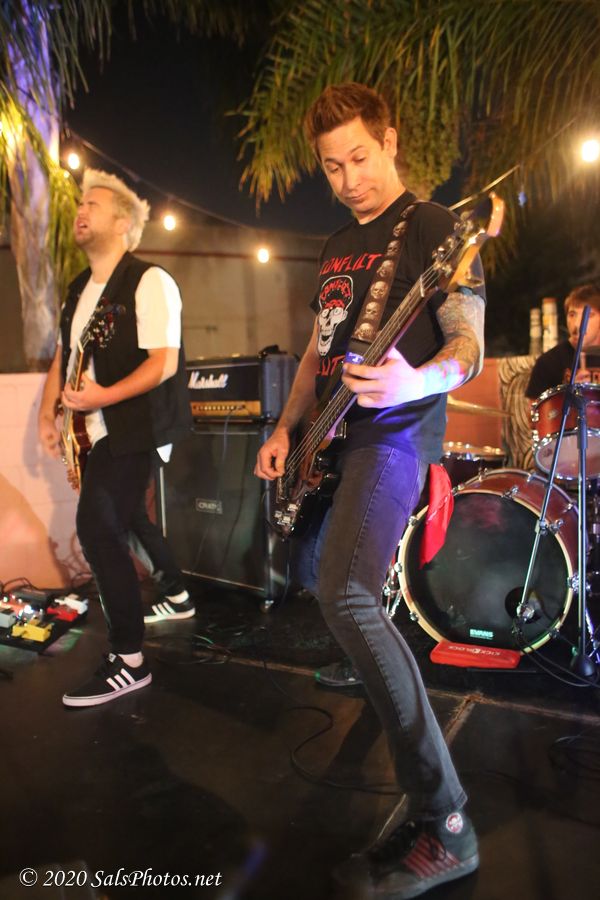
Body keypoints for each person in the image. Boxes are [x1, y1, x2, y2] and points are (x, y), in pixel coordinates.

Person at [255, 83, 485, 898]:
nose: (349, 179)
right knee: (326, 586)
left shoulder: (433, 226)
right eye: (331, 166)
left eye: (359, 157)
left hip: (394, 434)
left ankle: (446, 821)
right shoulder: (333, 247)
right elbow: (318, 355)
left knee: (347, 594)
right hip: (331, 440)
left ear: (390, 140)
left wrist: (415, 379)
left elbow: (469, 344)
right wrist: (286, 429)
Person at [38, 168, 193, 708]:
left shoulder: (149, 281)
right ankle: (172, 596)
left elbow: (163, 363)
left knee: (98, 525)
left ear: (123, 223)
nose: (81, 211)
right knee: (120, 521)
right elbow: (66, 354)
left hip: (134, 427)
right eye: (81, 204)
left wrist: (102, 396)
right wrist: (49, 413)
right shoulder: (79, 289)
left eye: (94, 205)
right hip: (92, 431)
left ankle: (129, 660)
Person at [525, 283, 600, 399]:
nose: (577, 324)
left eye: (588, 315)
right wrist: (568, 394)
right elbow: (534, 408)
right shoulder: (548, 363)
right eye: (572, 315)